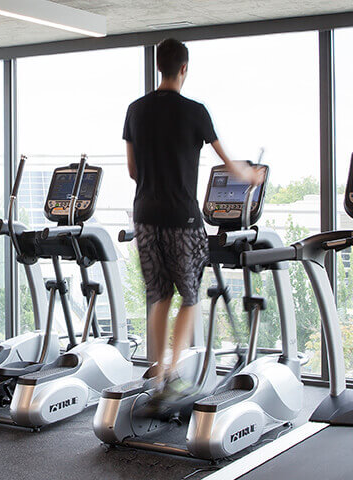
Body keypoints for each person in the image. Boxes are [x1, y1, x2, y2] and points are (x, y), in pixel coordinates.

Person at [123, 38, 265, 405]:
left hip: (145, 215)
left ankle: (157, 371)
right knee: (189, 296)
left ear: (160, 67)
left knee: (159, 296)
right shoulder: (195, 111)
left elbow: (133, 170)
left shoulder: (135, 110)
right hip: (182, 216)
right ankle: (170, 372)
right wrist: (251, 177)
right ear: (184, 68)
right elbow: (229, 162)